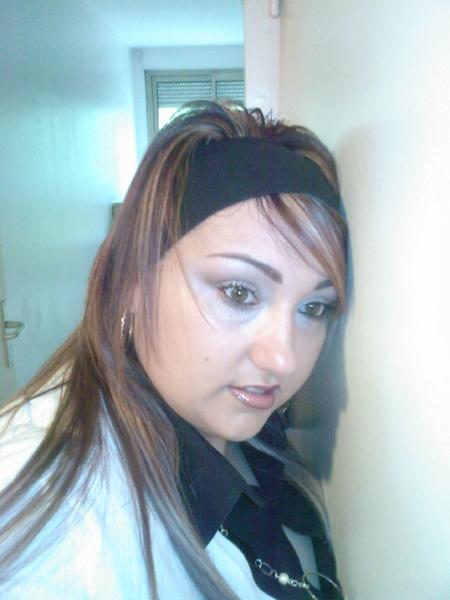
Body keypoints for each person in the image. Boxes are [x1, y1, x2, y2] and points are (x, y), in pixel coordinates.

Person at [0, 101, 348, 599]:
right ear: (132, 283)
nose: (284, 360)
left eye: (313, 308)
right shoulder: (59, 512)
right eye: (239, 292)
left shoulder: (250, 431)